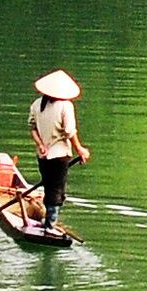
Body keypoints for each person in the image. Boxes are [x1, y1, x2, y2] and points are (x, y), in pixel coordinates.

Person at [28, 71, 85, 226]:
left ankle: (48, 220)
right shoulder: (65, 106)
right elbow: (69, 131)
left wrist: (40, 145)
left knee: (49, 187)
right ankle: (50, 224)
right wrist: (80, 149)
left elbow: (32, 127)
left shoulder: (37, 104)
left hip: (43, 155)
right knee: (57, 189)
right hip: (60, 155)